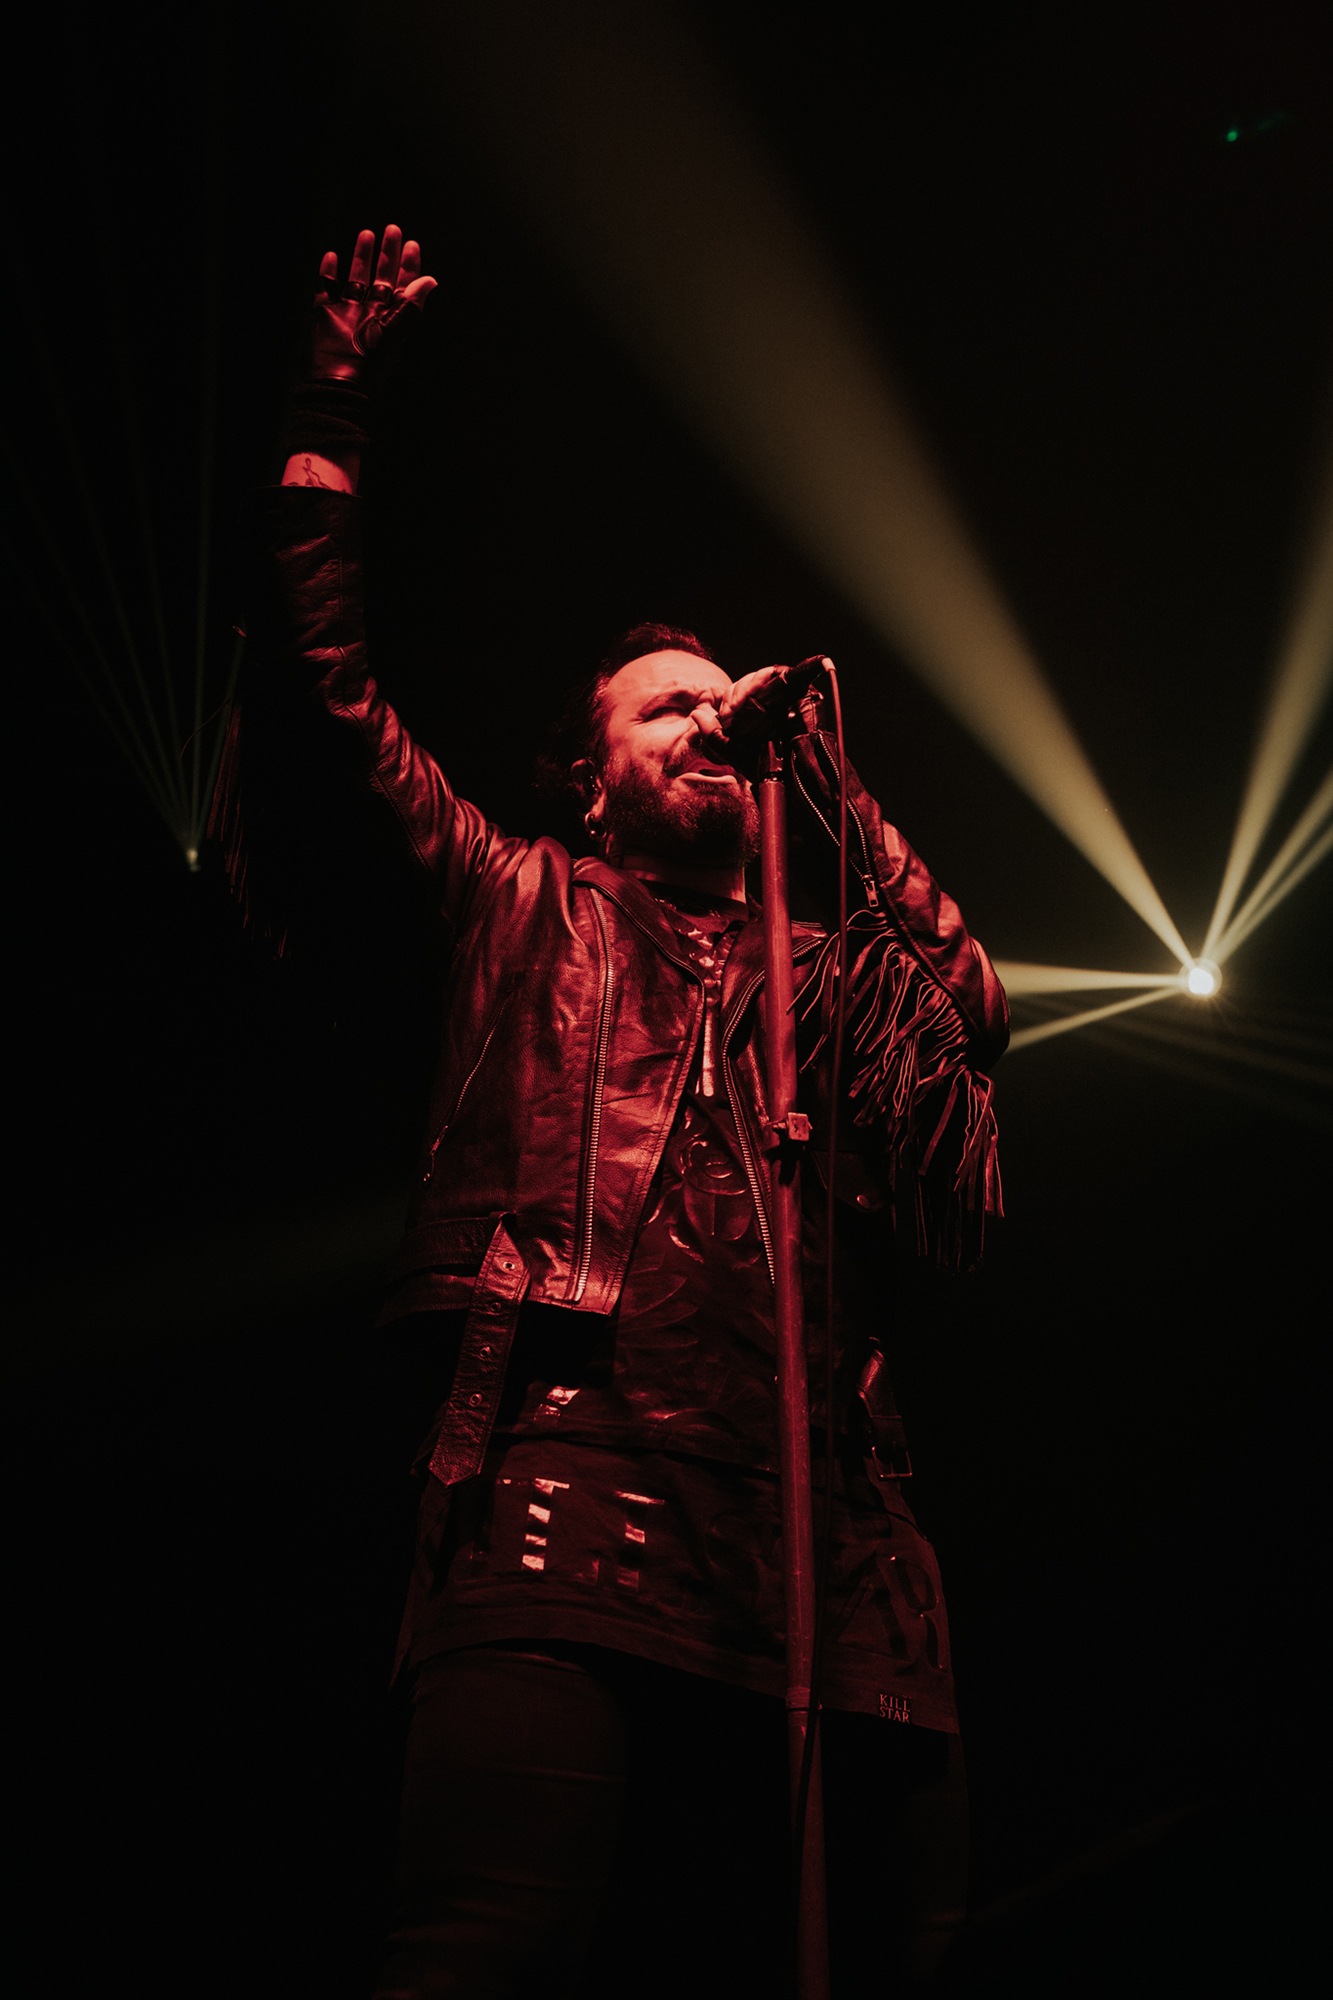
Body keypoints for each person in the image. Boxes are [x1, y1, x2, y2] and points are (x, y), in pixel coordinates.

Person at [215, 226, 1009, 1999]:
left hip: (828, 1526)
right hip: (576, 1483)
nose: (708, 724)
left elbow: (966, 1015)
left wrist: (831, 774)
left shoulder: (827, 972)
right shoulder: (526, 899)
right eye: (667, 711)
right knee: (486, 1954)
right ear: (593, 777)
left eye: (724, 706)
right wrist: (330, 410)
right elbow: (329, 694)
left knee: (906, 1956)